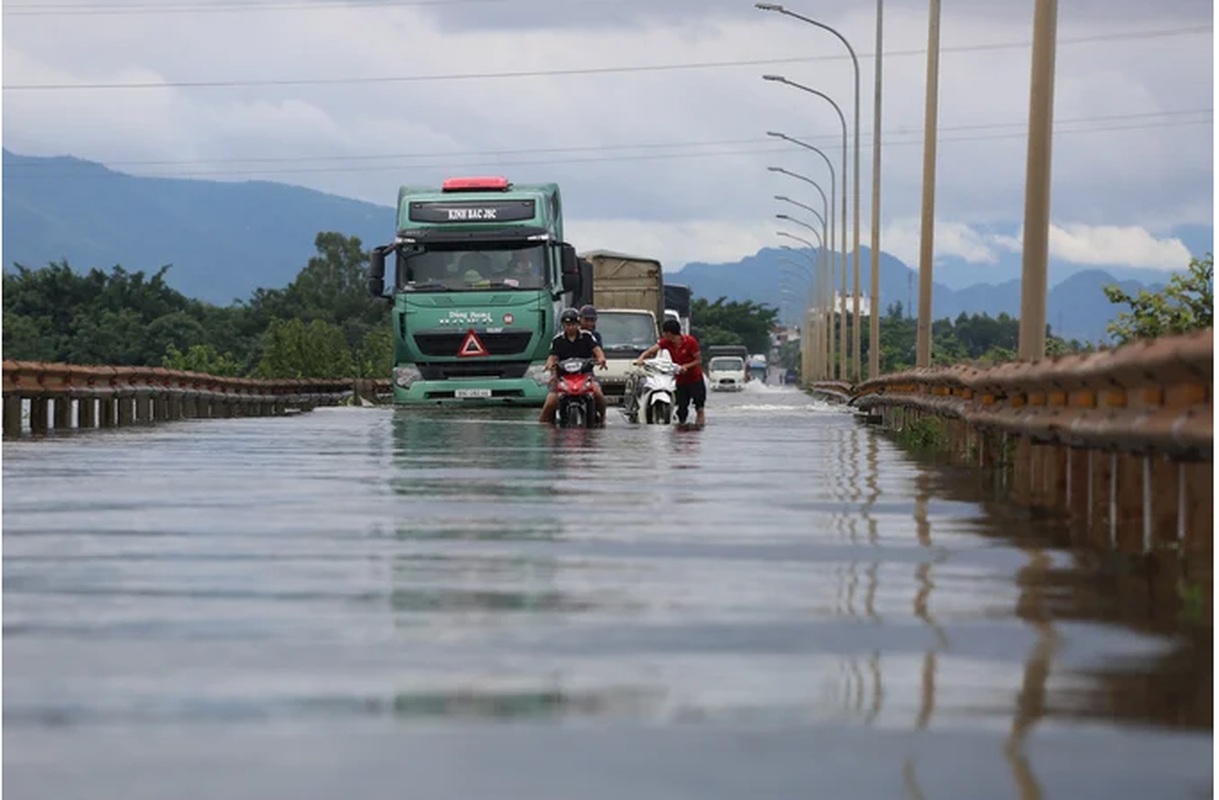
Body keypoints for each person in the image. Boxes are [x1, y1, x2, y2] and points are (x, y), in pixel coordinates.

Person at [539, 307, 608, 425]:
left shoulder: (587, 336)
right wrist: (549, 364)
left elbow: (597, 350)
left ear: (578, 324)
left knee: (597, 393)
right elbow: (552, 356)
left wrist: (601, 359)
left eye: (573, 324)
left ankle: (602, 418)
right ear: (563, 325)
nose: (570, 327)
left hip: (585, 375)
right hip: (563, 378)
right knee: (550, 401)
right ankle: (545, 425)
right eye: (567, 324)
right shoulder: (557, 340)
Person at [634, 318, 706, 425]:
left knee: (699, 407)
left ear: (669, 333)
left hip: (695, 378)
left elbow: (698, 360)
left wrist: (685, 366)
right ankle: (681, 430)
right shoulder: (666, 342)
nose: (663, 335)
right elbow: (651, 351)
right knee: (682, 408)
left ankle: (699, 429)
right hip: (680, 380)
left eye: (664, 332)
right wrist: (641, 358)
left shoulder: (690, 341)